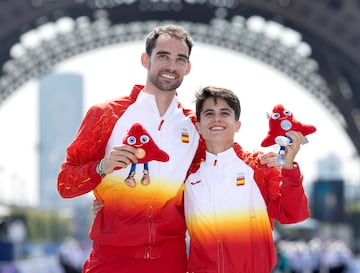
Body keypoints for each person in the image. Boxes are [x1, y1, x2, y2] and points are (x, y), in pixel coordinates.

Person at [57, 24, 202, 273]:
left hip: (170, 259)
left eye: (180, 59)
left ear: (187, 67)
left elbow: (223, 171)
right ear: (145, 59)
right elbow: (65, 185)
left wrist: (280, 165)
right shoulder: (106, 115)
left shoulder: (196, 126)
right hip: (112, 258)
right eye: (163, 56)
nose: (171, 66)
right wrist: (103, 168)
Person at [184, 86, 310, 273]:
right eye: (209, 113)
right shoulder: (188, 174)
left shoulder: (258, 167)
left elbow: (293, 214)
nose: (216, 119)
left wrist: (289, 168)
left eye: (224, 113)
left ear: (237, 125)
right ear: (198, 126)